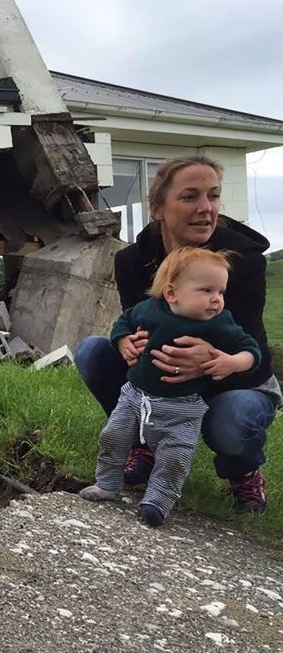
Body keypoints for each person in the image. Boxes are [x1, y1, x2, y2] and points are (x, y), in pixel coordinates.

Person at [77, 155, 280, 514]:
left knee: (233, 421)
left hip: (236, 380)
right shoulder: (132, 262)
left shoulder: (244, 261)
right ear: (157, 208)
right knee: (92, 352)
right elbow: (133, 321)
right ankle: (145, 441)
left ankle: (243, 471)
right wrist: (127, 343)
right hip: (161, 376)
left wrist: (212, 361)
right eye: (190, 197)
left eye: (213, 196)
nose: (206, 208)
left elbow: (252, 350)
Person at [80, 247, 260, 526]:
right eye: (207, 291)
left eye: (221, 292)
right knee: (112, 438)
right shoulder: (149, 310)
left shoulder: (220, 324)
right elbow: (123, 323)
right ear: (172, 293)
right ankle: (107, 483)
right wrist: (123, 341)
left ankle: (157, 503)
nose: (217, 300)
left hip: (183, 409)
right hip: (134, 397)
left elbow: (250, 350)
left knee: (175, 458)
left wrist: (232, 362)